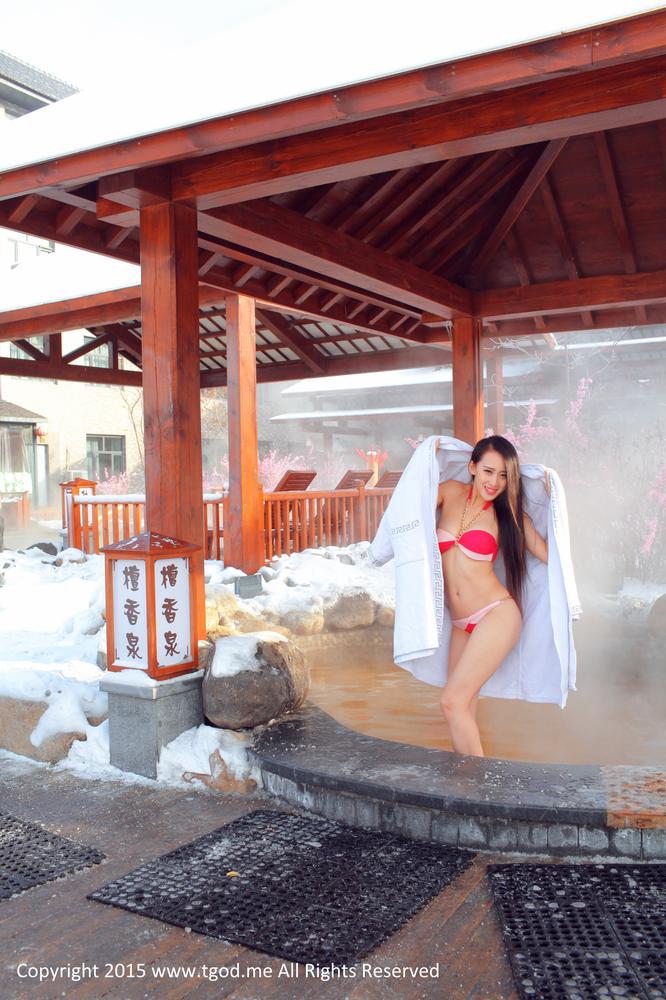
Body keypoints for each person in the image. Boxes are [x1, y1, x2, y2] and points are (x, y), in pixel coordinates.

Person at [435, 435, 548, 757]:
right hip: (461, 623)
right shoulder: (449, 492)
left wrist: (554, 502)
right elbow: (409, 507)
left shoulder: (508, 515)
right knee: (461, 708)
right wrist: (428, 456)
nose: (494, 482)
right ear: (472, 467)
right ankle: (465, 778)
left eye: (503, 475)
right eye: (488, 471)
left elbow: (550, 556)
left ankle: (477, 782)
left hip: (496, 615)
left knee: (451, 702)